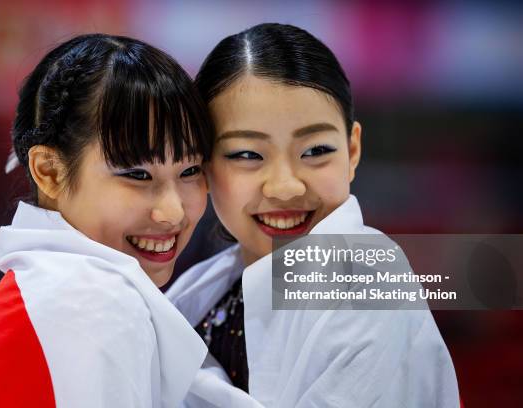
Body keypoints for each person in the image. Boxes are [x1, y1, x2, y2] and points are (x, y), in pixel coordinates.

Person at [168, 23, 460, 407]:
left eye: (316, 151)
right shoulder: (203, 290)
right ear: (204, 167)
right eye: (247, 155)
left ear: (352, 151)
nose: (285, 186)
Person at [0, 33, 213, 408]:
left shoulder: (51, 288)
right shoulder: (94, 300)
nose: (173, 212)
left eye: (190, 170)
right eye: (137, 175)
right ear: (50, 172)